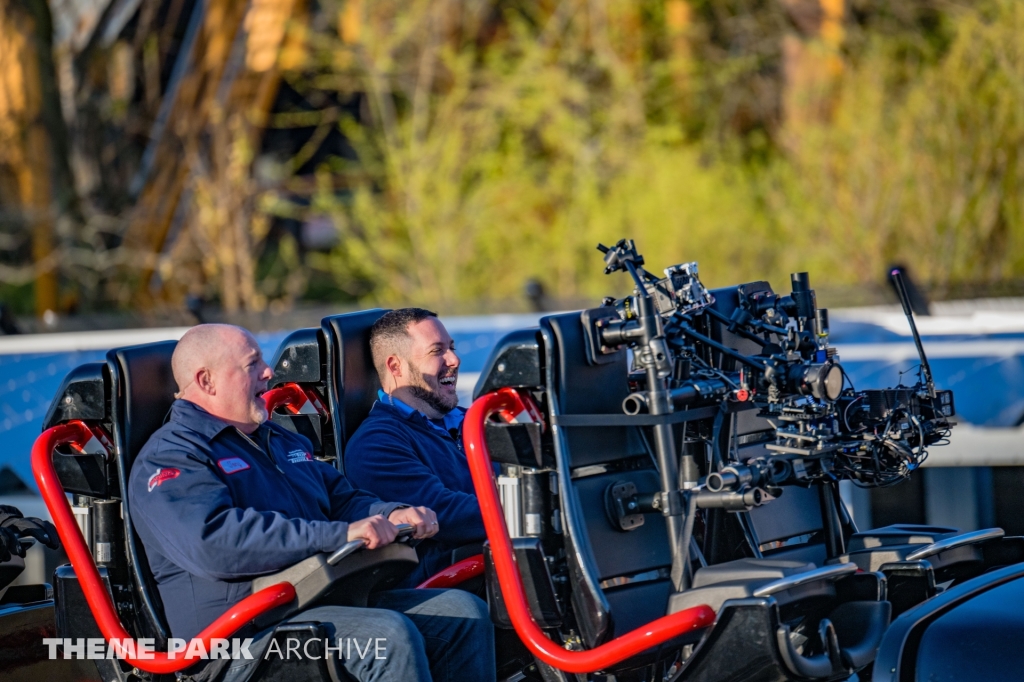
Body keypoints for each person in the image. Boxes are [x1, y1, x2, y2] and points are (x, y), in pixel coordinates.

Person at [127, 323, 493, 682]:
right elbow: (214, 542)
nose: (269, 373)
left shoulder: (276, 439)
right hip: (237, 640)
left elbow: (342, 498)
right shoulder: (171, 457)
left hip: (316, 601)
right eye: (252, 364)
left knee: (463, 612)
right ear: (206, 381)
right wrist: (338, 535)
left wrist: (390, 512)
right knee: (385, 637)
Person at [345, 309, 483, 587]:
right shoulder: (376, 444)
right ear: (395, 366)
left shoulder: (477, 420)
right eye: (437, 351)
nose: (454, 360)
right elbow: (445, 514)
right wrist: (534, 507)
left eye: (452, 348)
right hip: (448, 583)